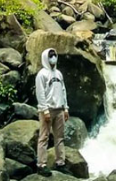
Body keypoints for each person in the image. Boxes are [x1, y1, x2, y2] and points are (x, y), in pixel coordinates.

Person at [36, 48, 69, 176]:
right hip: (47, 110)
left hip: (59, 109)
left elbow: (63, 90)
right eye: (51, 56)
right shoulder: (42, 74)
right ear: (45, 58)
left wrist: (65, 108)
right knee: (44, 137)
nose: (53, 58)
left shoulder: (59, 74)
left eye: (55, 55)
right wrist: (44, 110)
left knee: (60, 137)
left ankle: (60, 162)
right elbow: (40, 93)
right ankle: (41, 164)